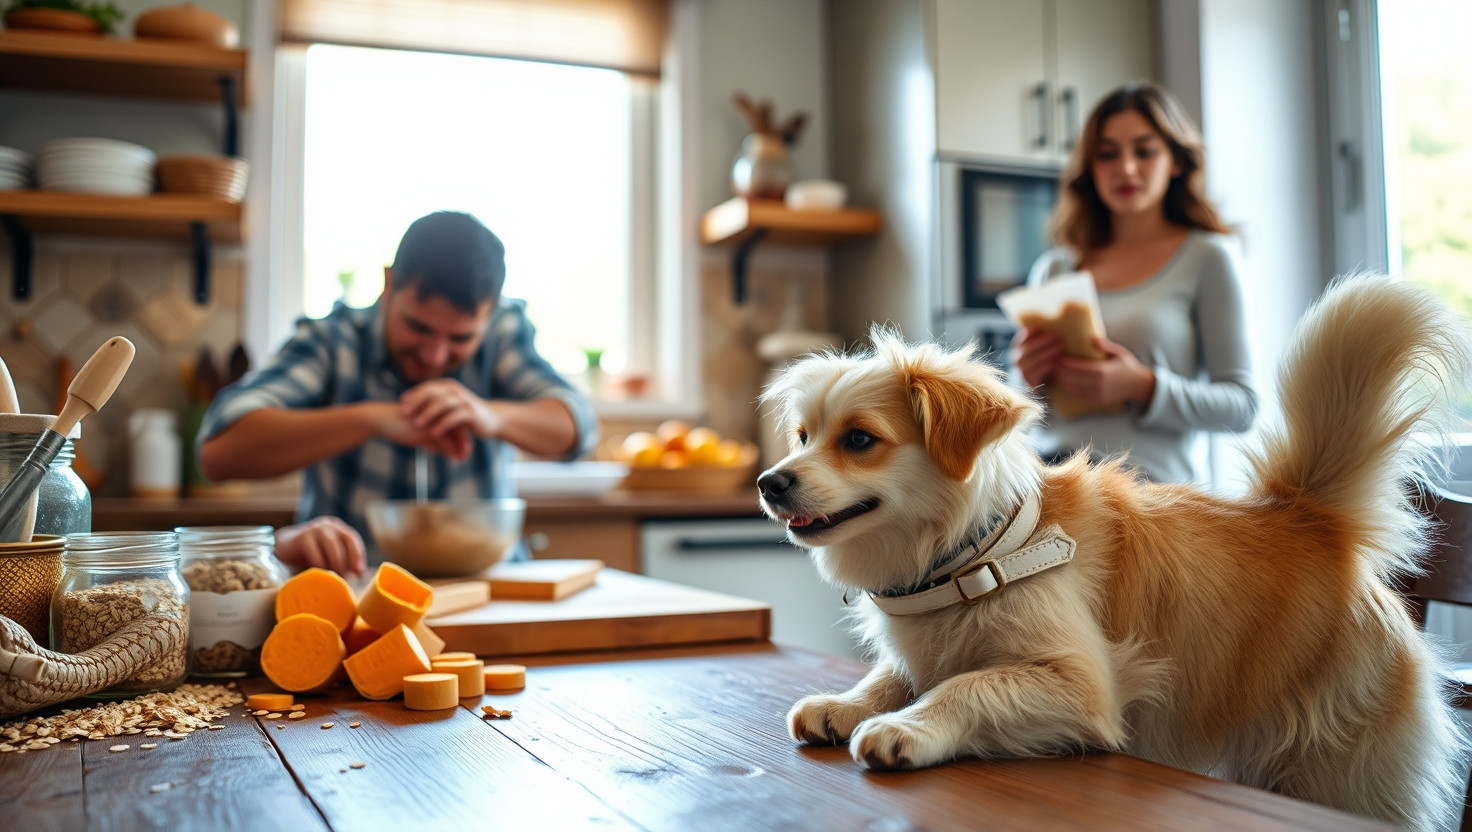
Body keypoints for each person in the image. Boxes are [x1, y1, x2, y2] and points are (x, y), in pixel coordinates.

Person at [198, 211, 598, 576]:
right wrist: (372, 419)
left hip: (491, 589)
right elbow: (217, 453)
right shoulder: (332, 341)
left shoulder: (503, 332)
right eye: (418, 327)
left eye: (460, 338)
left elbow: (578, 428)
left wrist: (492, 416)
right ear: (389, 284)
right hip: (357, 591)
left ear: (491, 312)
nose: (434, 355)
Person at [1009, 81, 1257, 484]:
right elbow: (1021, 416)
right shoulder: (1054, 268)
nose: (1125, 168)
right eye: (1108, 154)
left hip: (1155, 498)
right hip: (1053, 487)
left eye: (1144, 151)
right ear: (1090, 167)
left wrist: (1141, 386)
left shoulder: (1209, 257)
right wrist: (1025, 379)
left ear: (1176, 162)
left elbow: (1241, 408)